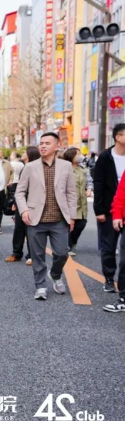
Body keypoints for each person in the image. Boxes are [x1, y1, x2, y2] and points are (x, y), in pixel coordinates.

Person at [15, 132, 77, 301]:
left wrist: (72, 216)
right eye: (41, 143)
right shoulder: (30, 167)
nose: (42, 146)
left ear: (57, 146)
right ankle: (40, 286)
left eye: (47, 143)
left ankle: (55, 274)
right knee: (37, 255)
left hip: (59, 219)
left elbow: (71, 193)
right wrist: (24, 210)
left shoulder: (66, 166)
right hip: (35, 219)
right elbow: (19, 192)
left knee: (62, 252)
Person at [94, 123, 125, 309]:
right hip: (108, 209)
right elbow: (98, 184)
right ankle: (108, 278)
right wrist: (99, 210)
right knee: (109, 246)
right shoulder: (105, 157)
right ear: (118, 137)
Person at [5, 146, 40, 264]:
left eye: (25, 152)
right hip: (21, 202)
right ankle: (16, 253)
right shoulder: (25, 167)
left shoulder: (36, 168)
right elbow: (20, 188)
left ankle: (32, 255)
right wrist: (16, 202)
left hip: (32, 203)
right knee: (19, 229)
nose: (23, 153)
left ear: (30, 154)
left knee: (30, 230)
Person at [61, 148, 91, 257]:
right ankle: (68, 246)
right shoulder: (64, 169)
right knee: (69, 225)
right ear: (71, 156)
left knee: (82, 223)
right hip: (69, 201)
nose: (80, 156)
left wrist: (89, 189)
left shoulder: (82, 169)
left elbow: (89, 180)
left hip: (82, 202)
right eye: (77, 154)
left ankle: (73, 241)